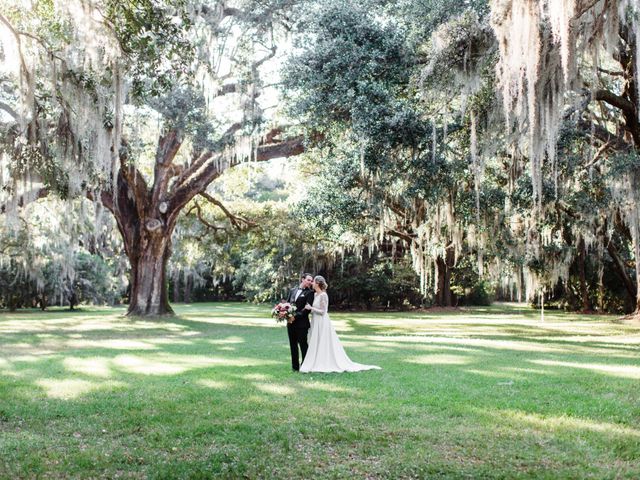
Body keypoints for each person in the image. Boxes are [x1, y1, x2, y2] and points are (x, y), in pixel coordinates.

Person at [300, 275, 380, 373]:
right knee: (315, 340)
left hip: (322, 321)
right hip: (315, 321)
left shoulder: (323, 295)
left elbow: (323, 311)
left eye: (313, 282)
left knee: (322, 341)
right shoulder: (315, 295)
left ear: (317, 283)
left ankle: (324, 362)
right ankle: (315, 360)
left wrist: (311, 308)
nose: (311, 283)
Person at [286, 273, 315, 371]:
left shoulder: (310, 293)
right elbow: (287, 305)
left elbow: (307, 310)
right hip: (290, 323)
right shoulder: (292, 290)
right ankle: (295, 367)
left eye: (311, 281)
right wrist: (285, 314)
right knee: (293, 345)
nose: (310, 282)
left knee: (303, 345)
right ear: (302, 279)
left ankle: (305, 366)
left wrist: (294, 316)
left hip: (302, 324)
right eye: (308, 280)